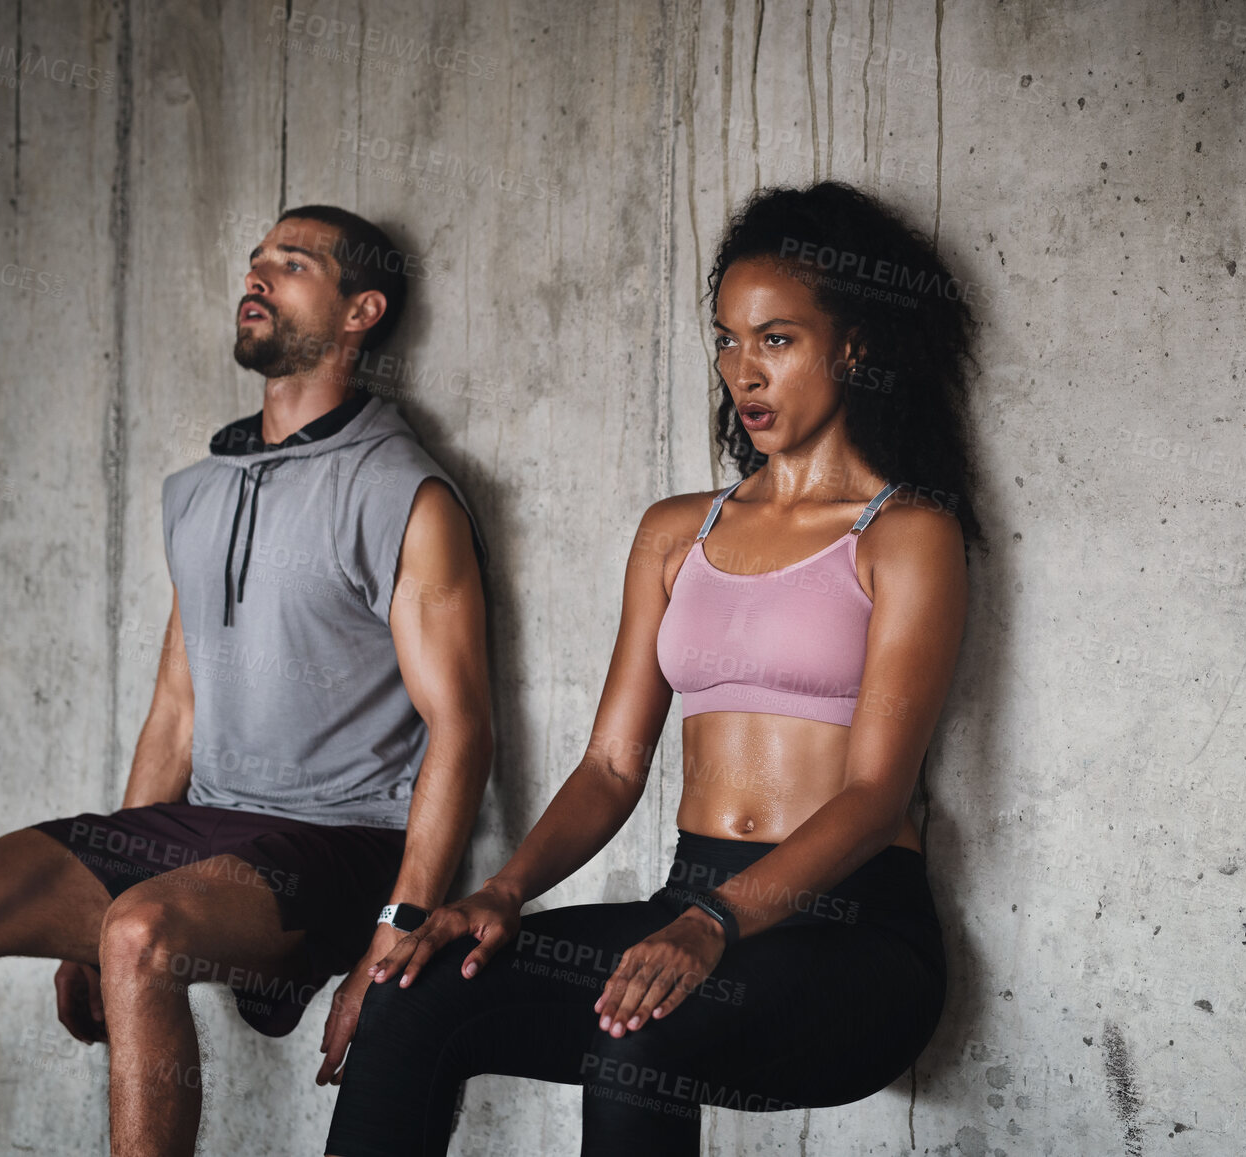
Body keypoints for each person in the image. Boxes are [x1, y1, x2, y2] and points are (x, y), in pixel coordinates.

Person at [323, 180, 982, 1157]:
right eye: (727, 339)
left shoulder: (907, 535)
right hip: (691, 901)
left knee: (635, 1034)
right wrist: (501, 893)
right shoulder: (679, 532)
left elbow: (878, 794)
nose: (742, 371)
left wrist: (714, 922)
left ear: (853, 345)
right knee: (409, 993)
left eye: (776, 339)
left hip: (851, 936)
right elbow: (610, 767)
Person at [0, 205, 495, 1157]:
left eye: (292, 264)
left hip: (338, 838)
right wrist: (110, 866)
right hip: (200, 828)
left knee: (138, 934)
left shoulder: (399, 490)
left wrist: (395, 929)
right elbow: (178, 705)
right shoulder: (197, 487)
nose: (258, 277)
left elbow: (462, 730)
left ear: (362, 309)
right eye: (255, 262)